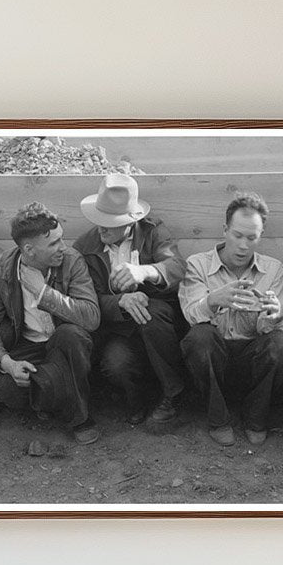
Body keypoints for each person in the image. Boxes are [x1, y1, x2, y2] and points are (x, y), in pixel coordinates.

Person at [0, 202, 102, 444]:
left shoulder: (72, 260)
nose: (63, 247)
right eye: (54, 243)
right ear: (29, 250)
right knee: (9, 392)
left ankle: (79, 418)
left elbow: (91, 317)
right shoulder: (0, 271)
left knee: (72, 335)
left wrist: (43, 293)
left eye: (62, 238)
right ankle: (52, 392)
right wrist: (8, 364)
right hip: (26, 345)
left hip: (65, 344)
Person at [178, 192, 283, 446]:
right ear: (225, 230)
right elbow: (190, 313)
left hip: (251, 362)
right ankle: (218, 419)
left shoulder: (273, 269)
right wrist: (213, 300)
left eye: (252, 238)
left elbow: (281, 326)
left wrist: (275, 313)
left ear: (260, 236)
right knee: (199, 337)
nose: (244, 246)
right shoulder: (197, 264)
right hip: (213, 363)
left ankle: (256, 417)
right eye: (238, 235)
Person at [73, 174, 187, 425]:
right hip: (117, 327)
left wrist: (146, 271)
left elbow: (178, 267)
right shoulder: (84, 247)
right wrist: (120, 302)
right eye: (98, 219)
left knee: (151, 311)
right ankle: (137, 399)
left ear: (130, 221)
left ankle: (173, 393)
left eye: (110, 222)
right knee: (116, 362)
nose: (101, 227)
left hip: (159, 322)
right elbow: (86, 299)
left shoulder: (152, 231)